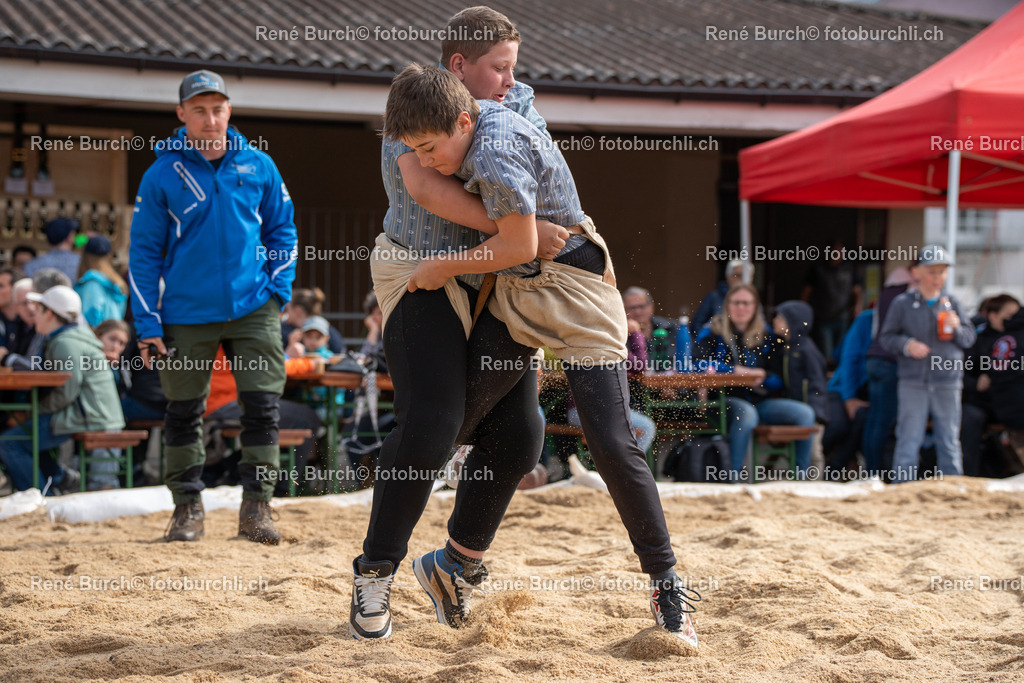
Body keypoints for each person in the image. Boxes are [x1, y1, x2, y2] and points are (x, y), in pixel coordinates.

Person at [380, 62, 700, 646]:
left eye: (429, 148)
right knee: (456, 420)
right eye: (414, 152)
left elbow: (520, 243)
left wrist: (440, 266)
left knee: (612, 441)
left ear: (461, 118)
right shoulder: (473, 117)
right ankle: (454, 563)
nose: (425, 162)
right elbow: (496, 229)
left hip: (574, 291)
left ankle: (666, 583)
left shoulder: (496, 148)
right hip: (515, 291)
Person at [349, 6, 568, 642]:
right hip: (419, 270)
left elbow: (546, 181)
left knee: (522, 435)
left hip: (493, 278)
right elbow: (428, 192)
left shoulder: (519, 104)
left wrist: (524, 236)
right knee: (433, 422)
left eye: (512, 68)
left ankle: (453, 566)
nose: (507, 78)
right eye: (497, 67)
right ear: (459, 66)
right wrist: (520, 232)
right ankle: (375, 573)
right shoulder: (415, 102)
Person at [128, 69, 297, 544]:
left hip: (254, 309)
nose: (209, 118)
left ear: (229, 111)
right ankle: (187, 511)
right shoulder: (162, 173)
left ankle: (257, 511)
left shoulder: (258, 164)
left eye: (217, 108)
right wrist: (147, 325)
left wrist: (278, 291)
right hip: (184, 314)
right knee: (183, 411)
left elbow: (283, 231)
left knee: (263, 408)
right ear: (181, 114)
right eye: (198, 109)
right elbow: (142, 255)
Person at [0, 286, 123, 493]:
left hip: (89, 416)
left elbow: (67, 391)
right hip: (87, 413)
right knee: (20, 437)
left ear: (49, 313)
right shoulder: (68, 337)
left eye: (38, 309)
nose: (33, 314)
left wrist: (34, 411)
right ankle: (59, 479)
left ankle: (43, 498)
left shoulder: (66, 342)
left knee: (11, 442)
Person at [879, 246, 975, 483]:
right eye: (932, 271)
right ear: (917, 272)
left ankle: (952, 488)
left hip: (947, 381)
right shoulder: (902, 303)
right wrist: (907, 344)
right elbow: (886, 337)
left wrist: (957, 328)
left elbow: (969, 338)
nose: (937, 277)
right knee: (908, 437)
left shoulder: (952, 303)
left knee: (949, 438)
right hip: (913, 380)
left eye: (942, 272)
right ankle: (903, 489)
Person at [693, 284, 779, 475]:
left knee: (804, 414)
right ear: (727, 305)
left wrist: (763, 377)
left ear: (755, 306)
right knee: (746, 415)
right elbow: (696, 363)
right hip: (722, 401)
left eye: (746, 303)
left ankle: (802, 479)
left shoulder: (766, 335)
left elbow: (778, 377)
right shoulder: (712, 330)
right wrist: (734, 370)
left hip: (759, 399)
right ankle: (733, 475)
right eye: (736, 303)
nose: (741, 308)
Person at [861, 267, 914, 478]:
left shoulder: (887, 291)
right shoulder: (909, 293)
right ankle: (876, 475)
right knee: (883, 421)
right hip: (890, 360)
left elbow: (876, 329)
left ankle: (870, 471)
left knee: (874, 419)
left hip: (874, 358)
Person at [767, 300, 827, 475]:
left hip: (813, 411)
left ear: (793, 323)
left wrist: (816, 413)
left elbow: (817, 383)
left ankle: (815, 486)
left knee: (813, 452)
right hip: (798, 409)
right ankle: (799, 480)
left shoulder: (806, 350)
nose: (775, 322)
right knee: (798, 449)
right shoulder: (786, 347)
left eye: (780, 318)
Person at [822, 309, 873, 475]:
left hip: (871, 394)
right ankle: (822, 464)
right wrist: (849, 398)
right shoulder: (867, 320)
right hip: (842, 389)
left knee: (864, 419)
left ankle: (835, 467)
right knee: (838, 425)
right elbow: (846, 359)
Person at [801, 242, 862, 364]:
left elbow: (857, 291)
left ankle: (838, 378)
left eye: (840, 252)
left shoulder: (849, 269)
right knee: (826, 352)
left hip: (842, 315)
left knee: (841, 351)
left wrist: (858, 307)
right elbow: (807, 291)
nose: (837, 255)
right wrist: (803, 310)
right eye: (834, 251)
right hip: (823, 315)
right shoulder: (818, 268)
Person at [621, 286, 679, 372]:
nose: (638, 312)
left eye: (641, 306)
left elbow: (687, 358)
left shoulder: (671, 327)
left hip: (670, 383)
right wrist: (634, 333)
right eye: (632, 308)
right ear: (623, 310)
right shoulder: (620, 335)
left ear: (651, 307)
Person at [74, 235, 127, 327]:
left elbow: (91, 318)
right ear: (109, 255)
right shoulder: (117, 282)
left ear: (85, 256)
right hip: (113, 334)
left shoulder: (92, 283)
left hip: (97, 337)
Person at [280, 288, 345, 353]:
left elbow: (341, 356)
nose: (284, 313)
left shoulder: (326, 331)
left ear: (297, 310)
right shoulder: (287, 330)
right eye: (309, 336)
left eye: (287, 309)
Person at [693, 259, 746, 331]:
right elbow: (696, 325)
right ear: (728, 277)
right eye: (738, 275)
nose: (741, 280)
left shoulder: (752, 300)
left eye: (745, 276)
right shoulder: (713, 297)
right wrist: (708, 340)